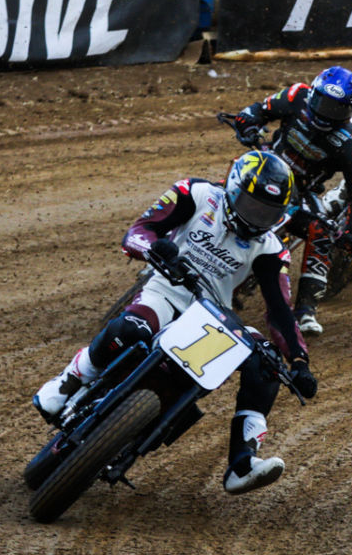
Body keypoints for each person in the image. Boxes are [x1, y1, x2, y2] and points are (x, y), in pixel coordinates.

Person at [33, 151, 318, 493]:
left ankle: (241, 463)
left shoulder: (271, 247)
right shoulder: (196, 193)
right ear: (232, 187)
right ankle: (70, 380)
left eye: (266, 212)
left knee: (267, 365)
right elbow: (140, 230)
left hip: (215, 315)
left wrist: (299, 361)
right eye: (252, 204)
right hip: (168, 289)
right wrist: (156, 250)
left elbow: (280, 310)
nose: (256, 217)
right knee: (128, 330)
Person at [221, 67, 352, 336]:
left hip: (300, 192)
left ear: (351, 111)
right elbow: (256, 111)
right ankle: (178, 244)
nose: (326, 113)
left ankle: (305, 310)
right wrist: (247, 125)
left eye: (337, 109)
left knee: (322, 231)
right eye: (323, 103)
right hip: (268, 164)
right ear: (312, 93)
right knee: (225, 185)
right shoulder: (296, 95)